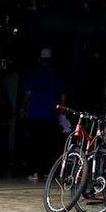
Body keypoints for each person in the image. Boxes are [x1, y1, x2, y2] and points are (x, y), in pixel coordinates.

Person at [20, 47, 65, 182]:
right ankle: (46, 171)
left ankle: (35, 172)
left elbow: (27, 94)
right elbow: (62, 93)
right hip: (50, 114)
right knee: (48, 144)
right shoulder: (54, 74)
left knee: (34, 144)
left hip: (35, 114)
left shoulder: (34, 73)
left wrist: (25, 107)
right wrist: (62, 110)